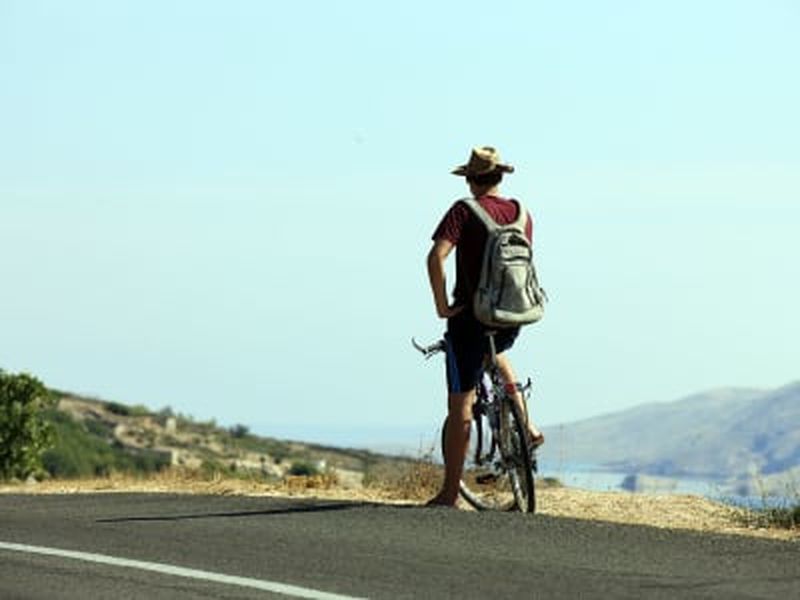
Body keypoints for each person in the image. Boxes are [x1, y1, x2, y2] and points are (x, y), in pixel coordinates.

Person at [426, 146, 544, 507]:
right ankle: (528, 426)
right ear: (500, 176)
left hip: (470, 318)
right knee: (501, 353)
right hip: (512, 316)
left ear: (471, 179)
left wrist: (442, 305)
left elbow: (436, 257)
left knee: (460, 404)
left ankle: (450, 494)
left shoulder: (464, 210)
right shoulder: (521, 213)